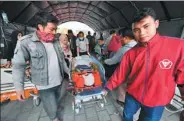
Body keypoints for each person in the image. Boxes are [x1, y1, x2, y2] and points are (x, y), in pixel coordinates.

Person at [103, 7, 184, 121]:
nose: (141, 33)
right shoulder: (130, 53)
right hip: (133, 95)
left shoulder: (177, 47)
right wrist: (106, 87)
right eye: (136, 30)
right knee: (127, 115)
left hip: (157, 101)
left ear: (156, 23)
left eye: (146, 26)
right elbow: (120, 73)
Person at [12, 12, 69, 121]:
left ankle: (55, 106)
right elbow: (18, 66)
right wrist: (19, 88)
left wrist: (69, 73)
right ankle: (54, 117)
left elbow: (61, 60)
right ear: (40, 27)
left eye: (55, 29)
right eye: (51, 29)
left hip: (59, 80)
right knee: (51, 107)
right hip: (44, 84)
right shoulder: (26, 42)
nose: (54, 32)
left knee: (57, 98)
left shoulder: (55, 40)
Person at [104, 28, 137, 105]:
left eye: (121, 37)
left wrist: (105, 61)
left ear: (126, 38)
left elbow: (113, 61)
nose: (120, 39)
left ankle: (121, 100)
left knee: (122, 85)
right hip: (136, 72)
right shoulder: (138, 45)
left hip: (126, 71)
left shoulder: (124, 49)